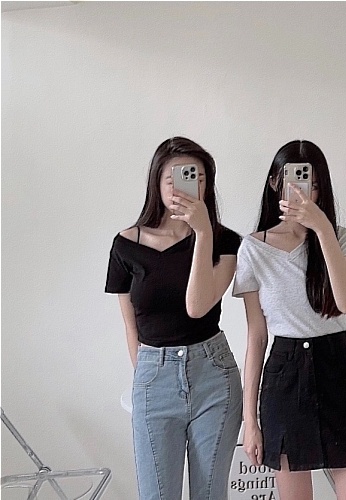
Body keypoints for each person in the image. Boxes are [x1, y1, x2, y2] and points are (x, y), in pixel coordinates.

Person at [233, 140, 346, 500]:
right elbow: (256, 338)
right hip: (285, 375)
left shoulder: (344, 239)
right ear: (274, 183)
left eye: (311, 182)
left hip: (338, 370)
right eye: (293, 180)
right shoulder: (254, 248)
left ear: (321, 187)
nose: (301, 190)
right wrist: (250, 421)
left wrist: (323, 229)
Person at [105, 137, 242, 500]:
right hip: (155, 374)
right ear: (157, 182)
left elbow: (198, 306)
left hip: (214, 374)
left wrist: (203, 232)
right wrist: (148, 376)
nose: (187, 187)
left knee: (210, 494)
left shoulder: (226, 242)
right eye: (176, 178)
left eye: (198, 178)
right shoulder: (125, 245)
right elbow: (130, 325)